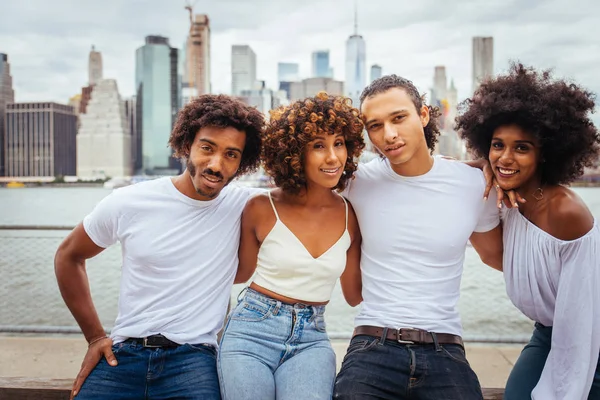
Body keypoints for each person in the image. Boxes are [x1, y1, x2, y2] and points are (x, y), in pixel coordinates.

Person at [54, 94, 265, 400]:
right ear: (186, 145)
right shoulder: (130, 201)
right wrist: (95, 337)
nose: (216, 164)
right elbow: (68, 256)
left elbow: (305, 199)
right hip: (123, 354)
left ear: (242, 162)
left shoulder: (247, 206)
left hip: (194, 359)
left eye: (231, 154)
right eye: (207, 148)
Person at [332, 75, 503, 400]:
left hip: (445, 348)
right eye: (375, 125)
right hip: (372, 344)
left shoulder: (472, 184)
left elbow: (499, 258)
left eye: (399, 118)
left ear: (423, 115)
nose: (389, 134)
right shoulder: (357, 183)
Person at [456, 63, 600, 400]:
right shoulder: (515, 198)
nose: (505, 157)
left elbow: (582, 320)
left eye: (522, 148)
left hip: (589, 337)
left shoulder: (565, 212)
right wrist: (482, 168)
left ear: (546, 153)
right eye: (496, 145)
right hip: (546, 333)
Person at [217, 92, 365, 400]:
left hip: (311, 338)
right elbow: (239, 274)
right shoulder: (260, 207)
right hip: (251, 331)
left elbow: (355, 296)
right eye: (318, 146)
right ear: (294, 153)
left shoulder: (350, 215)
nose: (333, 157)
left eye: (339, 143)